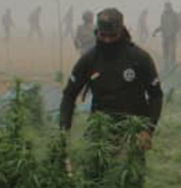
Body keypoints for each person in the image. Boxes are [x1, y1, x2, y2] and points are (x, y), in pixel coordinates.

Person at [58, 8, 164, 150]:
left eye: (112, 36)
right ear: (97, 33)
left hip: (132, 131)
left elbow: (156, 95)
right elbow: (69, 95)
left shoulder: (139, 58)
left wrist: (148, 130)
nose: (107, 40)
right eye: (103, 36)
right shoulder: (89, 60)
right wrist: (64, 131)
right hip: (100, 132)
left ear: (122, 32)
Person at [155, 2, 181, 71]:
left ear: (170, 7)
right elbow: (162, 25)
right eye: (166, 6)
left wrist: (174, 32)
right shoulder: (163, 15)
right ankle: (165, 68)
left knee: (172, 53)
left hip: (172, 37)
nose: (167, 8)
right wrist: (156, 31)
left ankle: (173, 68)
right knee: (165, 54)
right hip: (165, 37)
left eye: (168, 6)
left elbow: (178, 25)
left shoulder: (174, 15)